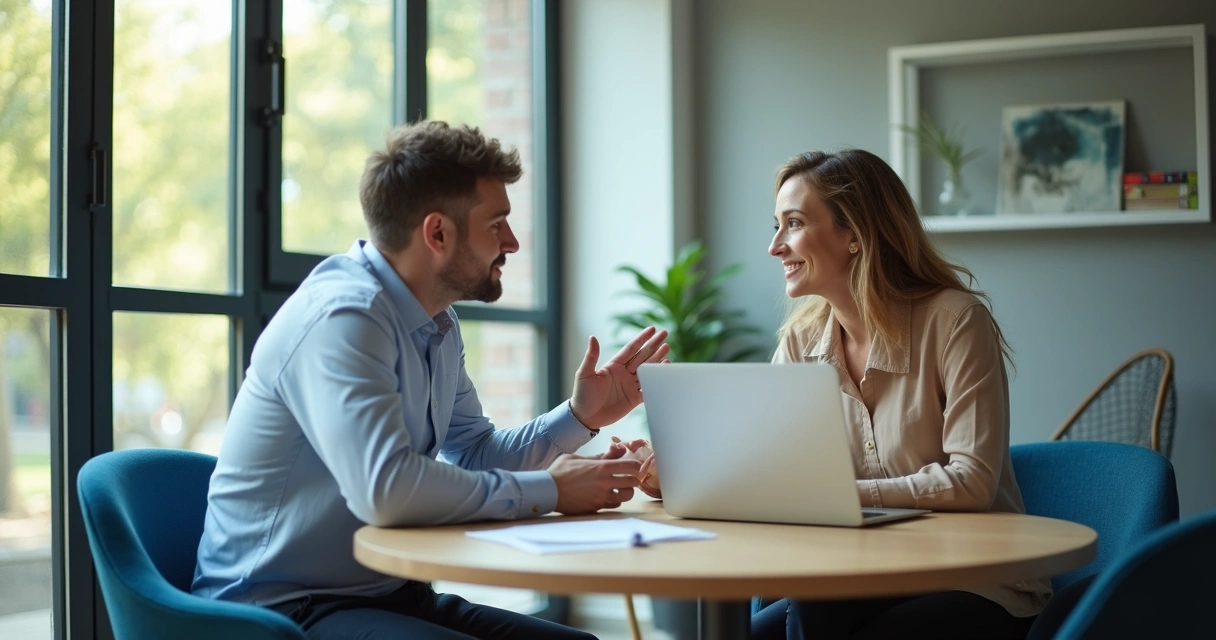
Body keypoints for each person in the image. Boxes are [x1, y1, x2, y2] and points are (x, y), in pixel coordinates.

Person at [192, 120, 669, 640]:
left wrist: (580, 416)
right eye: (497, 224)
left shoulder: (437, 323)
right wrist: (552, 489)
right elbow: (386, 490)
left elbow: (475, 454)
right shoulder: (344, 318)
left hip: (389, 596)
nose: (512, 242)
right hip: (281, 612)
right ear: (437, 233)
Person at [750, 149, 1048, 640]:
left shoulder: (956, 322)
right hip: (859, 573)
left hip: (973, 578)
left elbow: (973, 482)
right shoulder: (800, 344)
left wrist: (842, 495)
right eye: (776, 226)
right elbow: (774, 470)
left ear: (855, 234)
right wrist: (673, 474)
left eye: (794, 223)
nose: (774, 246)